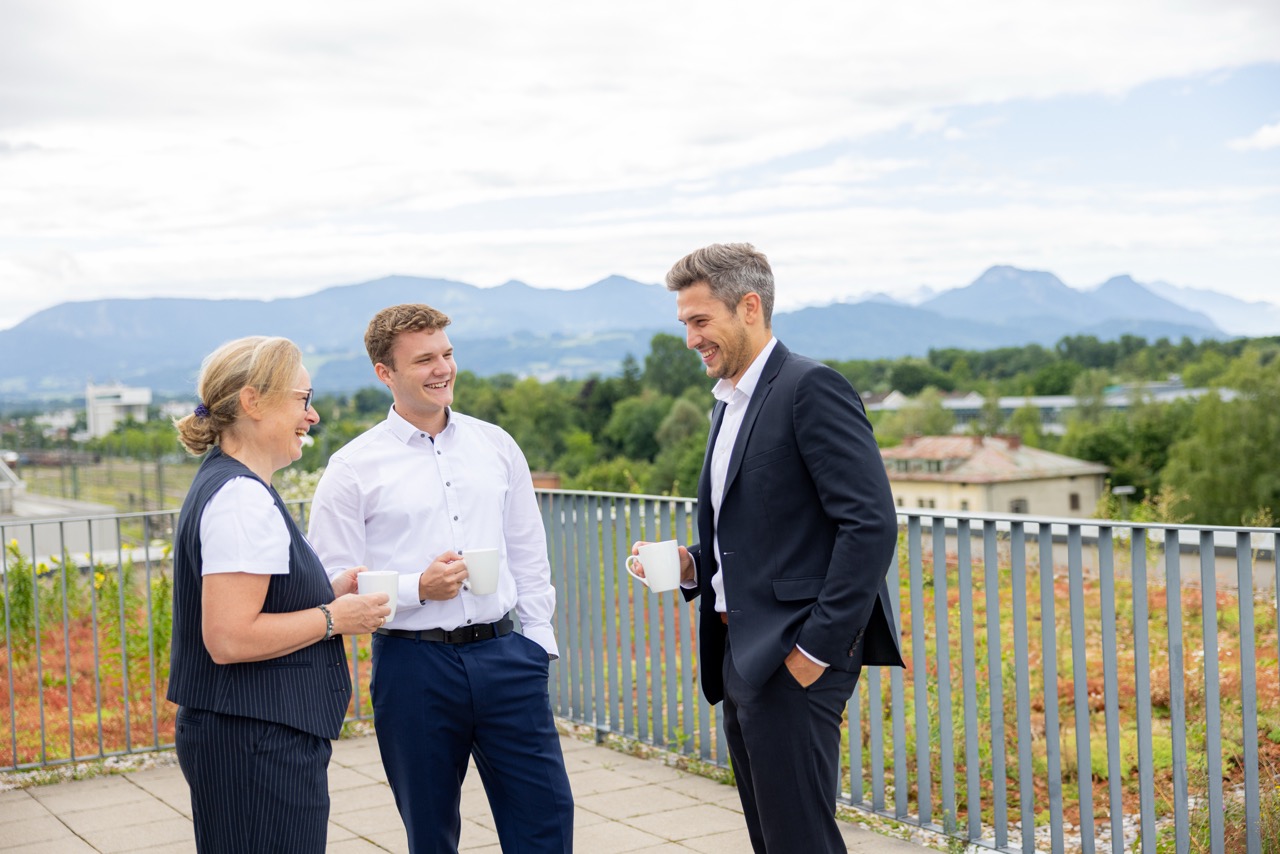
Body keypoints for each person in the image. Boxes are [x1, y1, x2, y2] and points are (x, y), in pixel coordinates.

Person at [631, 243, 903, 853]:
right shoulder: (729, 402)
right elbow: (764, 531)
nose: (689, 338)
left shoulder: (811, 388)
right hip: (742, 652)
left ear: (749, 307)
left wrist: (815, 650)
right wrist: (692, 563)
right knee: (773, 837)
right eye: (685, 323)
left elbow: (871, 525)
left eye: (700, 321)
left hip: (795, 655)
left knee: (800, 839)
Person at [307, 304, 574, 853]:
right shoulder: (352, 468)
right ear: (386, 373)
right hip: (414, 668)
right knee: (430, 834)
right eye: (423, 359)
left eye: (446, 354)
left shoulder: (497, 446)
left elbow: (528, 551)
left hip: (508, 657)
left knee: (547, 821)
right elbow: (332, 581)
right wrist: (416, 588)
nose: (442, 368)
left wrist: (538, 643)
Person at [168, 335, 392, 853]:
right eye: (302, 399)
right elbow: (229, 638)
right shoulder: (242, 498)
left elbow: (252, 605)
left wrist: (328, 593)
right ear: (252, 402)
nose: (311, 416)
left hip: (251, 737)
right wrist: (336, 617)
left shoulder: (234, 487)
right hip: (257, 741)